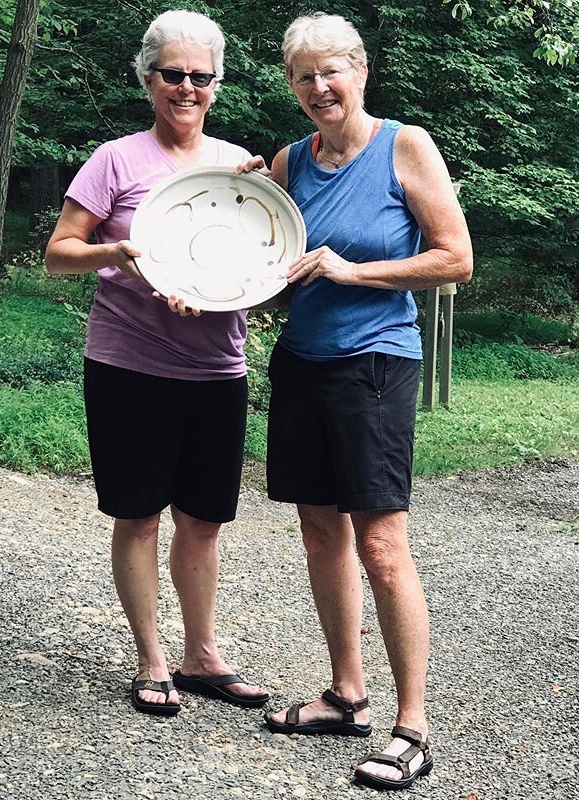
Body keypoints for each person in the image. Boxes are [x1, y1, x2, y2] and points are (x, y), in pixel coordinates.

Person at [241, 12, 473, 791]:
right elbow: (271, 263)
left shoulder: (405, 146)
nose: (318, 87)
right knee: (318, 531)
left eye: (331, 71)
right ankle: (347, 695)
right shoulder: (290, 158)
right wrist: (221, 253)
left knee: (381, 542)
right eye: (303, 76)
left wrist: (354, 273)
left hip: (375, 363)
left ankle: (414, 727)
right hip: (301, 361)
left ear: (361, 72)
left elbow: (455, 259)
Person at [45, 9, 269, 716]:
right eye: (173, 74)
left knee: (203, 521)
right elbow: (58, 254)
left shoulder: (238, 168)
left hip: (216, 370)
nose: (187, 87)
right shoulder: (115, 159)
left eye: (201, 77)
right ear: (148, 79)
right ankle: (151, 659)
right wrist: (118, 254)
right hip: (128, 367)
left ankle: (202, 656)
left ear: (216, 85)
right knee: (139, 516)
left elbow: (260, 259)